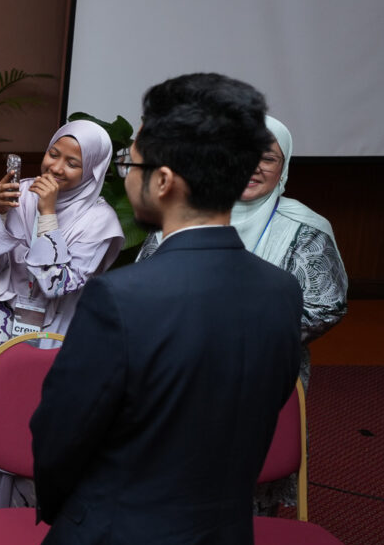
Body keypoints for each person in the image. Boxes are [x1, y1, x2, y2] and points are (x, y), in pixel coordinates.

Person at [26, 73, 302, 545]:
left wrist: (71, 516)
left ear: (166, 180)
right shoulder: (279, 292)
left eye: (133, 162)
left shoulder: (124, 298)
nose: (128, 174)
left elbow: (57, 439)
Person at [0, 120, 124, 510]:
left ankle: (25, 529)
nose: (56, 167)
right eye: (54, 154)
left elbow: (57, 283)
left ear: (92, 171)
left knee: (32, 433)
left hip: (54, 340)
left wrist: (48, 214)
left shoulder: (100, 221)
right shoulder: (18, 194)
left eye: (73, 162)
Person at [137, 114, 347, 391]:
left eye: (268, 158)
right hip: (178, 364)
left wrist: (240, 334)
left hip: (266, 371)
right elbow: (143, 287)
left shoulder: (306, 228)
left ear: (283, 167)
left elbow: (325, 307)